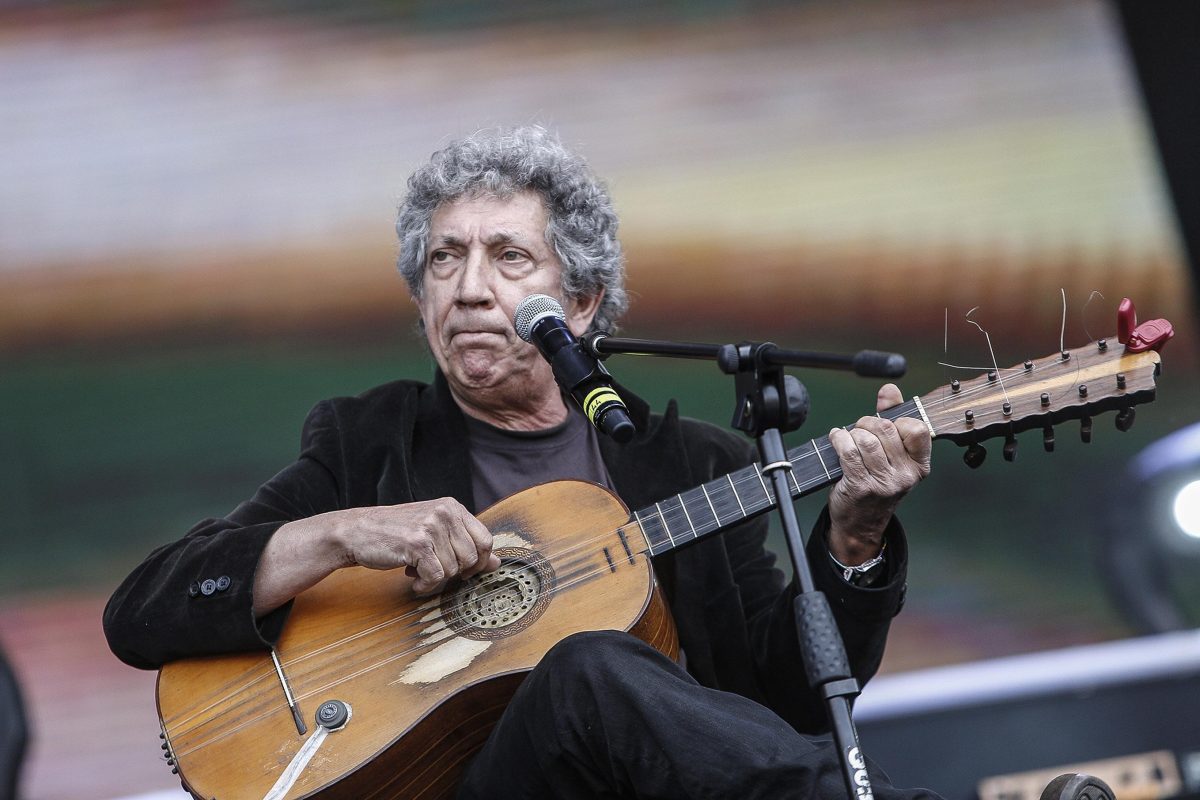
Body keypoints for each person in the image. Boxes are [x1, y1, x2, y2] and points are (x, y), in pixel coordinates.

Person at [104, 126, 935, 799]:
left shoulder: (688, 465)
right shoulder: (369, 442)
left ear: (579, 302)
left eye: (508, 259)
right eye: (443, 259)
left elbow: (783, 708)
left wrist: (854, 538)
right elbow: (141, 610)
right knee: (589, 666)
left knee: (595, 669)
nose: (468, 289)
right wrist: (342, 534)